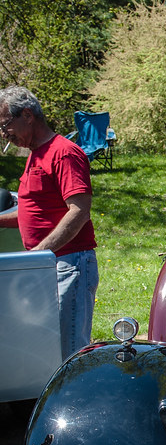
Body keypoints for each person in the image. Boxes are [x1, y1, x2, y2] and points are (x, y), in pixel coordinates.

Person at [0, 85, 99, 357]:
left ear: (28, 115)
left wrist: (39, 255)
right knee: (46, 350)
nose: (4, 133)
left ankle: (75, 400)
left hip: (68, 264)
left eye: (6, 124)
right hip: (48, 265)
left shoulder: (63, 153)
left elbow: (79, 210)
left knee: (68, 351)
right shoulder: (35, 154)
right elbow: (32, 211)